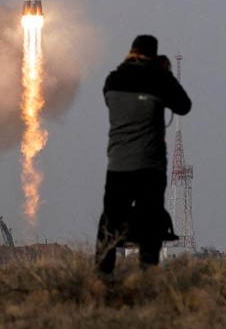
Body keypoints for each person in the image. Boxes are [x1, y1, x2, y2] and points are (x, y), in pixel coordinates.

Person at [95, 34, 191, 274]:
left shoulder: (113, 80)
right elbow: (183, 106)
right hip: (150, 165)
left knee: (110, 220)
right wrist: (165, 72)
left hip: (117, 164)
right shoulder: (158, 80)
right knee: (151, 220)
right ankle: (147, 271)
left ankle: (102, 271)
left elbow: (113, 102)